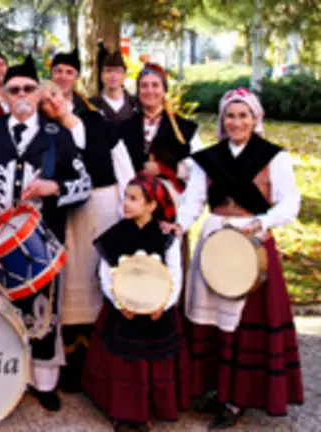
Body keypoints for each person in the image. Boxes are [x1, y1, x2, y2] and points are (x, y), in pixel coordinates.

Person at [168, 89, 303, 428]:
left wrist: (263, 222)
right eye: (230, 115)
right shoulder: (209, 159)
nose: (236, 122)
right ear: (222, 120)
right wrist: (178, 227)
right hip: (214, 239)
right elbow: (193, 201)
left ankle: (237, 397)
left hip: (251, 243)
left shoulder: (274, 157)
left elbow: (290, 204)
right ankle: (216, 389)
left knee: (243, 324)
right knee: (213, 318)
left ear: (255, 119)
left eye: (244, 115)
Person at [0, 55, 92, 412]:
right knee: (2, 308)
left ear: (39, 93)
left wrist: (54, 187)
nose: (21, 94)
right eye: (14, 90)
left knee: (43, 311)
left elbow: (83, 184)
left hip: (44, 239)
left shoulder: (59, 135)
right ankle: (7, 377)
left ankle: (43, 381)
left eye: (28, 88)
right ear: (4, 96)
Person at [39, 79, 135, 393]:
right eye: (44, 102)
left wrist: (129, 210)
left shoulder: (98, 122)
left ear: (64, 93)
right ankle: (74, 364)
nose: (52, 102)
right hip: (73, 211)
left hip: (108, 205)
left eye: (53, 94)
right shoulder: (50, 137)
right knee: (75, 285)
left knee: (107, 278)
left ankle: (104, 364)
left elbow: (124, 170)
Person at [82, 173, 189, 432]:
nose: (126, 204)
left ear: (152, 205)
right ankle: (123, 412)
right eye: (125, 198)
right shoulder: (115, 235)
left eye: (134, 199)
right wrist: (120, 304)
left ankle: (149, 410)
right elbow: (105, 274)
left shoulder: (166, 237)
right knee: (124, 362)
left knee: (152, 360)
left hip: (157, 312)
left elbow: (175, 273)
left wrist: (163, 305)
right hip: (124, 312)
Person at [117, 63, 203, 201]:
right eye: (144, 86)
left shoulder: (183, 128)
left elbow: (199, 168)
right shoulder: (125, 127)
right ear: (138, 91)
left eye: (155, 85)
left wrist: (166, 169)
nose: (150, 91)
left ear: (164, 90)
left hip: (172, 200)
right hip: (133, 201)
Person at [89, 51, 139, 124]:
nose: (113, 75)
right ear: (102, 76)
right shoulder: (90, 105)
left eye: (118, 71)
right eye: (108, 71)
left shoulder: (136, 104)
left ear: (124, 76)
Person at [49, 48, 97, 115]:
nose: (63, 77)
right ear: (51, 75)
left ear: (77, 78)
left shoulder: (88, 110)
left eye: (69, 72)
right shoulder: (37, 108)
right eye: (59, 71)